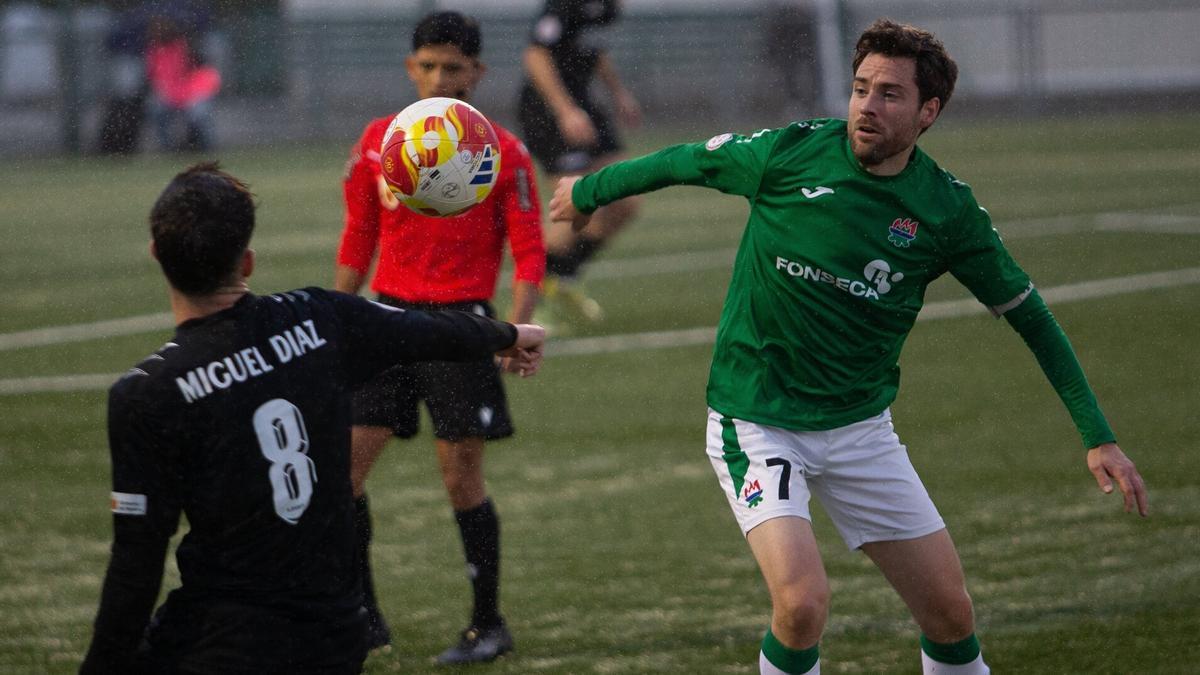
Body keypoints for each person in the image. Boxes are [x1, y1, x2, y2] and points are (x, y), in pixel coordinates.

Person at [548, 19, 1148, 675]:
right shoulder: (792, 153)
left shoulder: (947, 211)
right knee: (803, 605)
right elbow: (685, 159)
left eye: (889, 94)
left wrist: (1097, 432)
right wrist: (587, 190)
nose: (867, 106)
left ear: (928, 111)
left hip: (860, 430)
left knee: (951, 613)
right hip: (757, 421)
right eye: (861, 88)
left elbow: (1029, 316)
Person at [79, 162, 545, 675]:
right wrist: (507, 335)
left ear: (156, 257)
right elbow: (423, 329)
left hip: (227, 641)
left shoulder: (148, 394)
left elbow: (135, 566)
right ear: (248, 261)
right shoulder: (318, 318)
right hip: (335, 636)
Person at [334, 11, 545, 664]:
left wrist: (514, 328)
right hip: (386, 321)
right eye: (427, 66)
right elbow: (359, 234)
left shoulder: (504, 152)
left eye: (453, 68)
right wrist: (338, 319)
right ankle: (363, 615)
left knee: (461, 477)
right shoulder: (380, 141)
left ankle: (488, 623)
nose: (439, 79)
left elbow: (530, 248)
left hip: (462, 326)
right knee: (343, 471)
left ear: (477, 74)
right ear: (410, 68)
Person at [518, 0, 641, 329]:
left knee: (625, 203)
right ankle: (537, 308)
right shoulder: (564, 4)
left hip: (587, 104)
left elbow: (595, 51)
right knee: (573, 209)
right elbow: (536, 55)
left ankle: (564, 278)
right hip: (549, 110)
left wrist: (619, 94)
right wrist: (565, 110)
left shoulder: (608, 7)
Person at [145, 11, 220, 153]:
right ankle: (168, 148)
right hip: (172, 93)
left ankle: (206, 148)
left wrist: (192, 93)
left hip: (194, 90)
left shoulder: (187, 46)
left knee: (198, 113)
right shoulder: (155, 50)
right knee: (155, 110)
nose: (156, 33)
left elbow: (202, 73)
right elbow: (154, 77)